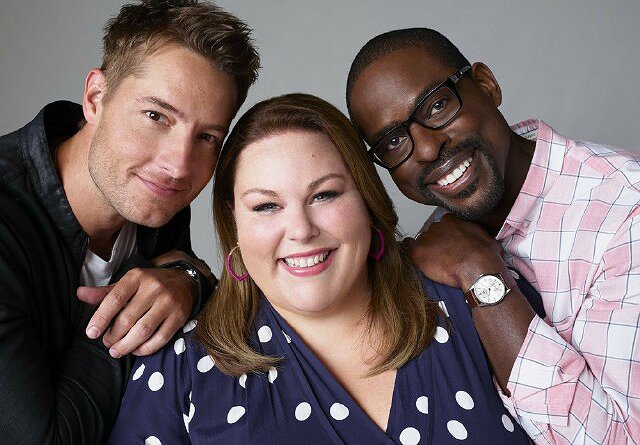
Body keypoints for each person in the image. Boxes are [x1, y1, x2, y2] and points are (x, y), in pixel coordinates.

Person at [107, 93, 535, 444]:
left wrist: (484, 276)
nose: (301, 230)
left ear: (366, 201)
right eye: (266, 206)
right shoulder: (180, 370)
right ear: (233, 223)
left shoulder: (476, 296)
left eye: (324, 195)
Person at [346, 28, 640, 444]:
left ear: (487, 85)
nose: (426, 149)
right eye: (394, 142)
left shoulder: (624, 213)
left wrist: (480, 273)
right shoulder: (436, 242)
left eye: (437, 106)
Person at [0, 0, 259, 443]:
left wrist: (188, 279)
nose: (178, 165)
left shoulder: (153, 196)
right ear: (95, 98)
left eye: (206, 137)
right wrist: (141, 290)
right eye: (156, 116)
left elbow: (184, 276)